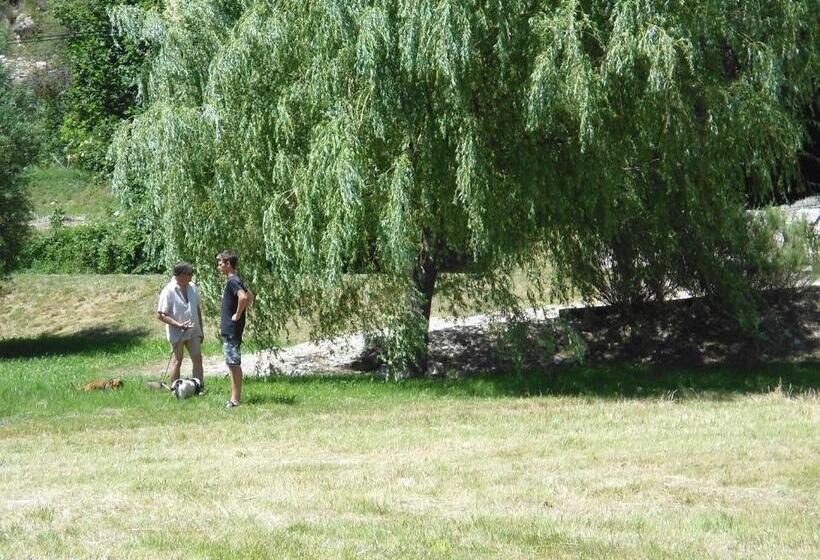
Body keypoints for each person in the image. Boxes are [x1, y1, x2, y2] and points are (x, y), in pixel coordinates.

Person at [156, 261, 205, 391]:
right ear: (180, 275)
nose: (191, 276)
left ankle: (198, 388)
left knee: (197, 358)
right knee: (177, 360)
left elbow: (197, 309)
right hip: (177, 332)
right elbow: (161, 315)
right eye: (189, 274)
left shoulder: (192, 287)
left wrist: (201, 329)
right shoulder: (168, 290)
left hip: (194, 330)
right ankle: (175, 388)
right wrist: (178, 324)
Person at [217, 251, 253, 408]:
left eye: (220, 263)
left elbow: (244, 297)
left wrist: (237, 315)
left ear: (228, 264)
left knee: (233, 364)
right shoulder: (239, 280)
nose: (218, 266)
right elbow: (250, 295)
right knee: (233, 362)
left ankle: (235, 399)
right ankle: (235, 398)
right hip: (233, 328)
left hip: (231, 329)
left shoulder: (232, 281)